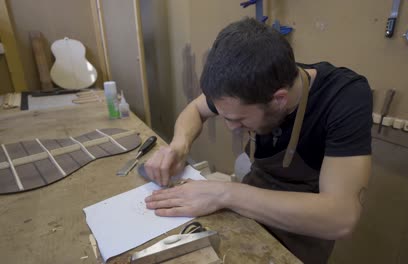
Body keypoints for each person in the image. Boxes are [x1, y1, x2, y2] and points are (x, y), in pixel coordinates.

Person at [144, 17, 372, 263]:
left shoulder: (344, 98)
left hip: (304, 232)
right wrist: (180, 145)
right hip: (247, 211)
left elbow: (341, 218)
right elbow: (196, 110)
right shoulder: (245, 84)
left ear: (279, 100)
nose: (231, 127)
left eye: (239, 119)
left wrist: (225, 194)